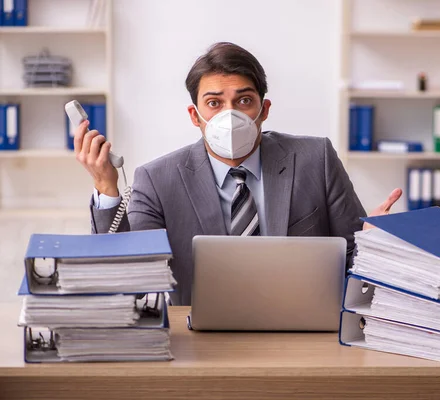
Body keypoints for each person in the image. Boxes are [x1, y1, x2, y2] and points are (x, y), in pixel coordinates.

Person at [74, 42, 402, 306]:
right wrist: (106, 185)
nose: (229, 115)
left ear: (264, 109)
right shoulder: (157, 179)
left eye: (243, 100)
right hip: (200, 341)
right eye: (214, 103)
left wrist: (374, 242)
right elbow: (130, 278)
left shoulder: (316, 159)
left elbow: (351, 260)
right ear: (195, 115)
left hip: (305, 331)